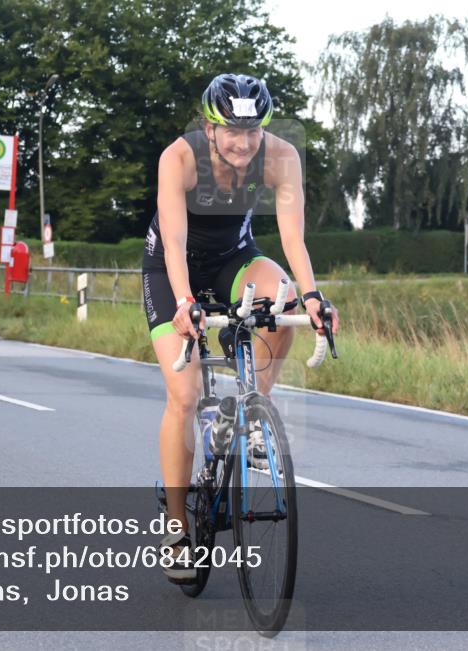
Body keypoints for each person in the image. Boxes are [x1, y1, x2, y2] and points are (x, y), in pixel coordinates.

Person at [143, 73, 339, 582]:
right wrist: (185, 304)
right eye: (232, 131)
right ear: (209, 127)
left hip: (234, 259)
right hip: (173, 269)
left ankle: (253, 408)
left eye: (253, 132)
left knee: (285, 298)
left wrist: (314, 295)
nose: (243, 143)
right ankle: (176, 529)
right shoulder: (179, 158)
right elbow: (173, 242)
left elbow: (292, 237)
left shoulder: (281, 157)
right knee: (184, 397)